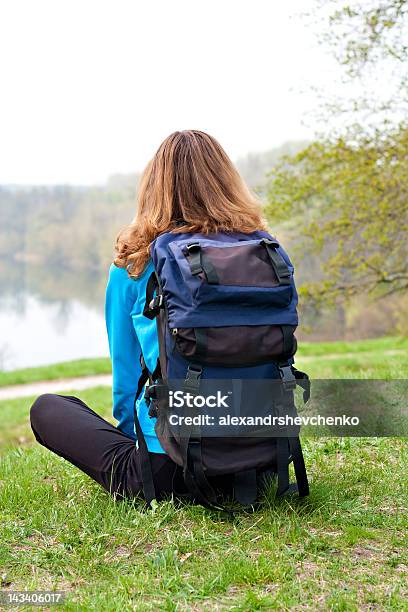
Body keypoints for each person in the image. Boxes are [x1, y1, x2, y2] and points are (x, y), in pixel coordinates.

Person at [30, 130, 267, 501]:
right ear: (227, 183)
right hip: (260, 464)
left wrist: (134, 443)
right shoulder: (262, 255)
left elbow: (126, 378)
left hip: (170, 470)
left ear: (153, 188)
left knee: (48, 408)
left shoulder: (135, 265)